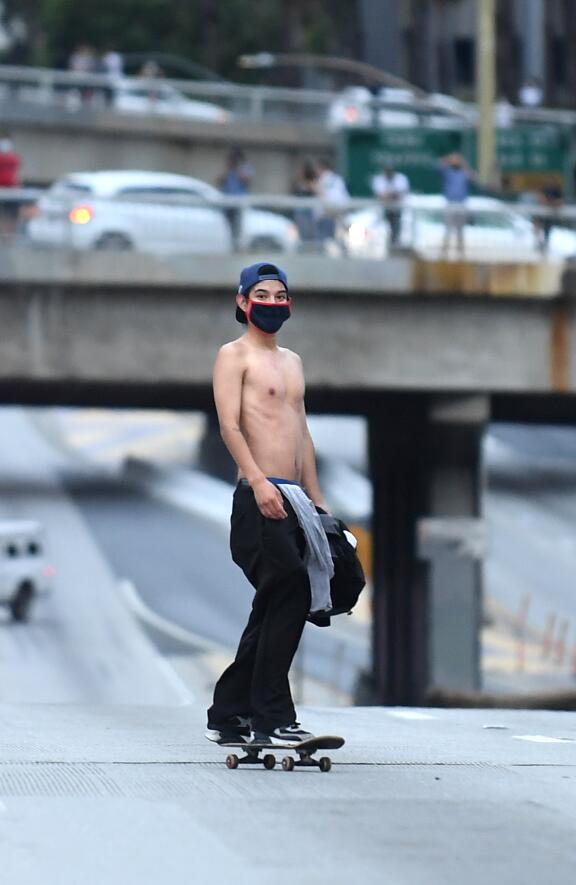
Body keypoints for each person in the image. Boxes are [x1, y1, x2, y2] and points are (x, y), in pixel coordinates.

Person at [206, 262, 332, 748]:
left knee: (277, 604)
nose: (273, 303)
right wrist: (258, 482)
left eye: (281, 295)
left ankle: (229, 711)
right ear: (242, 302)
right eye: (263, 294)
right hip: (258, 497)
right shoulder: (233, 356)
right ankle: (272, 717)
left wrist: (317, 502)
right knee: (291, 593)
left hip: (297, 501)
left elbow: (302, 434)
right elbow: (230, 426)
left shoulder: (294, 362)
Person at [437, 152, 475, 259]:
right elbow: (439, 166)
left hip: (461, 204)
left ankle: (461, 254)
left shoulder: (464, 173)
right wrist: (449, 159)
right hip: (450, 204)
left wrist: (463, 163)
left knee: (460, 231)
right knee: (447, 230)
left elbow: (473, 177)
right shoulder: (448, 172)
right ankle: (443, 254)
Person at [217, 149, 252, 253]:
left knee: (238, 226)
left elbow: (246, 180)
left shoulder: (245, 168)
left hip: (239, 203)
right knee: (228, 228)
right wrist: (228, 169)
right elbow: (219, 180)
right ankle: (231, 246)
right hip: (227, 203)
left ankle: (237, 246)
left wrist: (238, 169)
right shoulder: (228, 170)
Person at [370, 164, 410, 250]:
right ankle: (384, 247)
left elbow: (399, 194)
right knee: (383, 228)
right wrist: (391, 195)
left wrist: (388, 195)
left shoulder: (401, 178)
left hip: (397, 209)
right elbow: (380, 195)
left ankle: (395, 245)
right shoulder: (379, 179)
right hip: (383, 209)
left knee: (396, 227)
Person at [314, 159, 349, 251]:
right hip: (338, 213)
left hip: (328, 214)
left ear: (322, 168)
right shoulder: (338, 179)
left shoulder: (323, 179)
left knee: (325, 241)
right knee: (337, 239)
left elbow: (322, 195)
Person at [291, 161, 318, 247]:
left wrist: (308, 185)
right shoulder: (297, 182)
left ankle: (310, 248)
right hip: (299, 211)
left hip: (308, 212)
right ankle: (303, 246)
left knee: (309, 233)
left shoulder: (312, 183)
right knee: (301, 233)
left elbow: (315, 193)